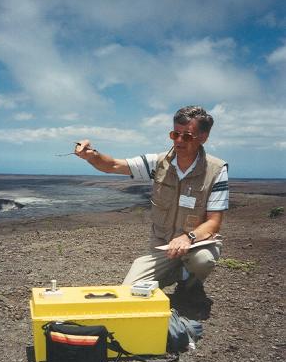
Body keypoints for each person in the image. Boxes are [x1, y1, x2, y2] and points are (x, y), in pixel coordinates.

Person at [75, 106, 228, 303]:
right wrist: (91, 155)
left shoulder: (216, 170)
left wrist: (188, 238)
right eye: (175, 134)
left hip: (196, 244)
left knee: (203, 260)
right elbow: (112, 165)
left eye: (187, 136)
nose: (179, 141)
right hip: (163, 248)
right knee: (129, 292)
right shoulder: (158, 163)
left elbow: (214, 222)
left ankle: (190, 284)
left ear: (203, 137)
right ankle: (176, 273)